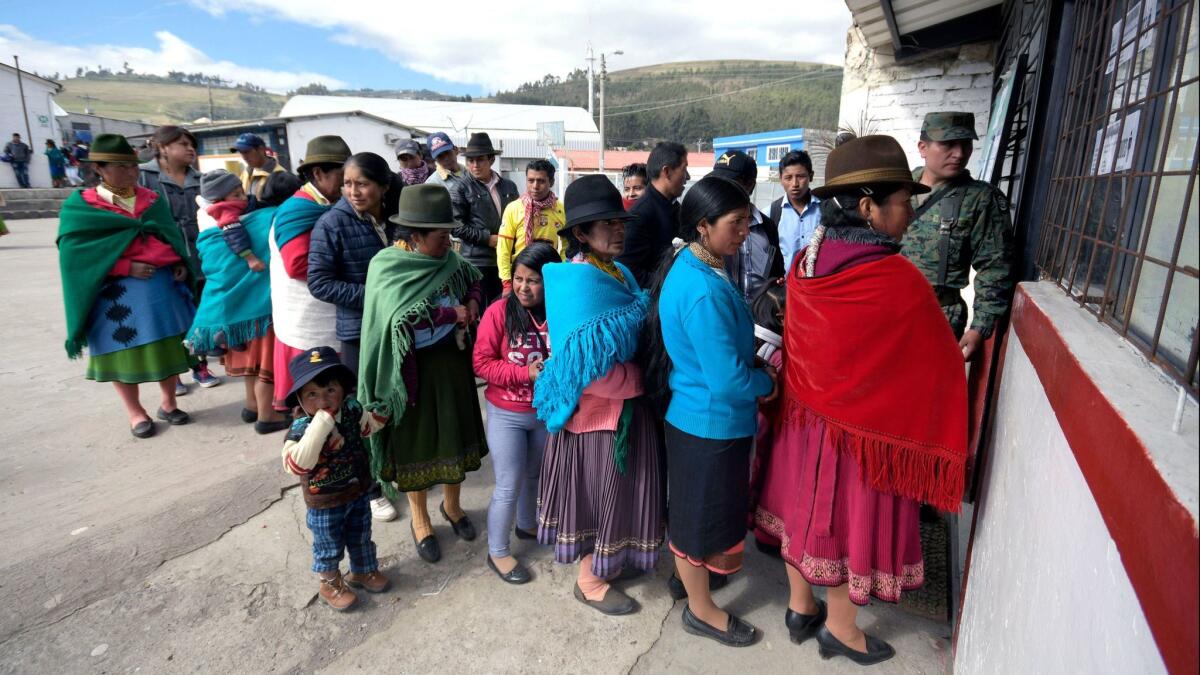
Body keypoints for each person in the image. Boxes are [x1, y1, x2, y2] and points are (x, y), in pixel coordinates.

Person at [755, 135, 967, 666]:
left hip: (803, 423)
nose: (911, 212)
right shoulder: (896, 279)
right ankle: (842, 631)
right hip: (862, 436)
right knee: (845, 525)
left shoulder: (807, 261)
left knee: (803, 513)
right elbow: (932, 366)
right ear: (869, 207)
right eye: (903, 200)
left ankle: (800, 608)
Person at [642, 175, 778, 646]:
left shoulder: (696, 264)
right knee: (698, 520)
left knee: (698, 513)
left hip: (698, 416)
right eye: (735, 223)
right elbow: (727, 380)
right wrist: (767, 380)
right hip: (710, 422)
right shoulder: (703, 289)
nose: (745, 231)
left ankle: (692, 581)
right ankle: (701, 611)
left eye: (746, 221)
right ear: (703, 225)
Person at [533, 174, 665, 616]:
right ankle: (589, 580)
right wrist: (644, 377)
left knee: (620, 494)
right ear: (581, 233)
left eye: (618, 220)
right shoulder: (575, 283)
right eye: (604, 223)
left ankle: (608, 561)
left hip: (626, 411)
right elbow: (589, 371)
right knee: (596, 496)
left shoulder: (620, 272)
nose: (617, 229)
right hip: (596, 419)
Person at [359, 183, 488, 564]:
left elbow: (474, 278)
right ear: (415, 235)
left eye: (449, 234)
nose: (448, 243)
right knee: (418, 444)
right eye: (440, 236)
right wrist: (452, 314)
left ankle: (453, 507)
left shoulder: (450, 260)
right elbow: (398, 318)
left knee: (453, 437)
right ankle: (420, 520)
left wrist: (472, 302)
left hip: (450, 365)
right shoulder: (388, 266)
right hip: (410, 376)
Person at [55, 134, 196, 438]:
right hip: (115, 298)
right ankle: (135, 412)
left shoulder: (151, 200)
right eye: (122, 167)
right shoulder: (83, 207)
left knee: (168, 348)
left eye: (133, 166)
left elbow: (168, 236)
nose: (132, 173)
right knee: (123, 353)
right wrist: (124, 266)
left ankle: (169, 403)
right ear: (100, 168)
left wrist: (178, 263)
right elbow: (77, 257)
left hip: (160, 293)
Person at [281, 346, 391, 611]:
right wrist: (321, 425)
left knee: (361, 534)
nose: (322, 400)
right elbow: (296, 463)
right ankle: (330, 584)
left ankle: (363, 571)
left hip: (357, 489)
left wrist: (385, 409)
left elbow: (367, 425)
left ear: (343, 389)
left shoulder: (351, 409)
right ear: (299, 398)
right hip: (325, 500)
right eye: (312, 394)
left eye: (330, 390)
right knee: (328, 544)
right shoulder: (301, 427)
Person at [473, 241, 558, 584]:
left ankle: (527, 525)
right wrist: (525, 374)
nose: (523, 287)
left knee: (534, 475)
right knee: (508, 482)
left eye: (533, 280)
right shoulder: (499, 312)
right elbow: (481, 364)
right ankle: (497, 552)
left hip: (543, 413)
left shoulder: (560, 309)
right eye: (519, 279)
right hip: (506, 412)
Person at [189, 171, 299, 434]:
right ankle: (268, 415)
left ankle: (251, 405)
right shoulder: (267, 218)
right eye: (237, 193)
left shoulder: (211, 218)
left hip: (238, 308)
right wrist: (251, 258)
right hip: (261, 305)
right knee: (267, 362)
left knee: (252, 361)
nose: (244, 196)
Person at [903, 112, 1015, 361]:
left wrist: (980, 326)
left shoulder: (980, 199)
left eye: (966, 144)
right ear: (923, 147)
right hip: (888, 312)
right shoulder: (898, 187)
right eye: (948, 144)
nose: (959, 153)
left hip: (939, 316)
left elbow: (995, 266)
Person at [138, 125, 220, 394]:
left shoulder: (201, 179)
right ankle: (173, 373)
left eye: (191, 144)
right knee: (170, 316)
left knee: (199, 313)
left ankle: (200, 365)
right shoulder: (144, 177)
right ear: (162, 147)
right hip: (164, 259)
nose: (190, 149)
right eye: (183, 143)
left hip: (201, 257)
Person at [308, 152, 392, 374]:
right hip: (359, 331)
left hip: (399, 323)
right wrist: (376, 296)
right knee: (365, 402)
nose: (353, 192)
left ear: (384, 187)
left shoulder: (396, 219)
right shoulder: (330, 225)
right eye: (347, 184)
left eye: (362, 184)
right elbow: (319, 283)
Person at [449, 132, 519, 304]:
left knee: (506, 310)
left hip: (507, 260)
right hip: (477, 262)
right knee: (481, 313)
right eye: (470, 161)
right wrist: (488, 239)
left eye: (480, 160)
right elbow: (456, 226)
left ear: (491, 160)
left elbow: (518, 218)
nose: (474, 165)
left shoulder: (508, 186)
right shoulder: (460, 188)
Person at [711, 150, 785, 300]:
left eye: (728, 182)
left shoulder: (767, 226)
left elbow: (777, 273)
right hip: (725, 313)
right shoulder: (709, 224)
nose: (720, 188)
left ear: (749, 184)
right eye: (717, 182)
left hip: (760, 317)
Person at [746, 280, 786, 557]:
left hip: (751, 428)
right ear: (782, 318)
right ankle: (768, 535)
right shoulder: (780, 355)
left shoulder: (751, 340)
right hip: (771, 429)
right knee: (771, 480)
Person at [618, 141, 689, 287]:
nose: (687, 176)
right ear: (667, 172)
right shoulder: (639, 215)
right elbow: (629, 271)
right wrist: (675, 284)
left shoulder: (674, 208)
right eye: (684, 169)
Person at [497, 159, 566, 293]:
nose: (535, 186)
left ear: (551, 182)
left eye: (541, 181)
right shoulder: (514, 208)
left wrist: (561, 270)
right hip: (521, 278)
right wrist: (506, 282)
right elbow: (503, 248)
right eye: (531, 180)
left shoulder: (561, 210)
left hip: (549, 277)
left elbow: (567, 247)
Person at [195, 169, 265, 273]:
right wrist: (251, 259)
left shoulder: (236, 203)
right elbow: (234, 234)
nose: (243, 197)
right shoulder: (225, 210)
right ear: (219, 200)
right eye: (236, 195)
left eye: (242, 192)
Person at [770, 150, 821, 272]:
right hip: (787, 287)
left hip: (818, 284)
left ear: (811, 176)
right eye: (788, 178)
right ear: (781, 179)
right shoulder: (772, 213)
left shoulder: (825, 210)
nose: (795, 184)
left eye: (801, 176)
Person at [231, 133, 286, 202]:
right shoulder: (246, 172)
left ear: (261, 149)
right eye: (241, 152)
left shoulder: (280, 177)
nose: (244, 157)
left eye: (247, 152)